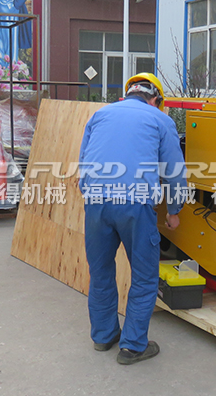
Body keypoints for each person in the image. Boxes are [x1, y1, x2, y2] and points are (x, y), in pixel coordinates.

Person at [78, 73, 187, 365]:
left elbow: (84, 162)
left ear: (127, 94)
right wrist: (174, 210)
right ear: (156, 99)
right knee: (144, 275)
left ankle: (103, 336)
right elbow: (175, 171)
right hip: (135, 205)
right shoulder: (160, 120)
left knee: (101, 271)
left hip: (96, 203)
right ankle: (133, 346)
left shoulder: (100, 115)